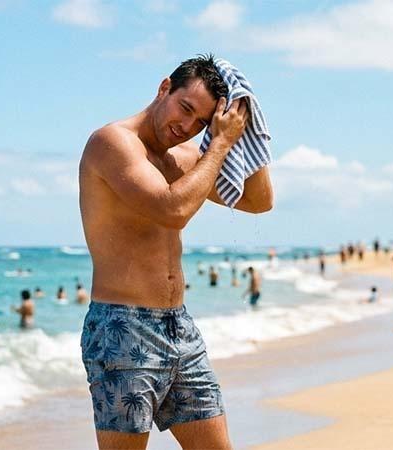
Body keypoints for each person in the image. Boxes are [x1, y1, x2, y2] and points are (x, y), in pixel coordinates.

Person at [78, 54, 272, 448]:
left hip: (179, 327)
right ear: (164, 87)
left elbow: (258, 199)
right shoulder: (112, 143)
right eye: (185, 108)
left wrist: (246, 124)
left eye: (200, 122)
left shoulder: (185, 159)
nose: (186, 127)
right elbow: (173, 210)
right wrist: (219, 142)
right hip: (123, 328)